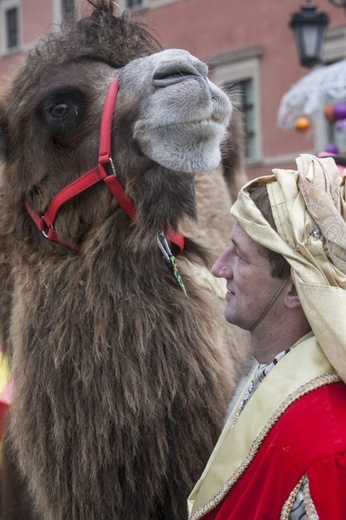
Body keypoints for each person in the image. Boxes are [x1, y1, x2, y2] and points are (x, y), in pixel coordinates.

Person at [188, 153, 346, 519]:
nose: (218, 267)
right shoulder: (265, 375)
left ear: (295, 288)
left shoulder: (327, 451)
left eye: (240, 257)